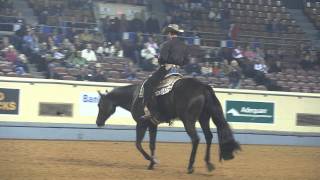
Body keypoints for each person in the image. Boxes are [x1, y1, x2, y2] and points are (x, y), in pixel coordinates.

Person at [140, 24, 189, 122]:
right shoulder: (184, 45)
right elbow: (186, 61)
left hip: (167, 69)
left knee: (148, 84)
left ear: (170, 33)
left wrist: (158, 59)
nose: (167, 35)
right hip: (178, 71)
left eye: (168, 33)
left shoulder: (166, 44)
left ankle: (147, 111)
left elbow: (163, 60)